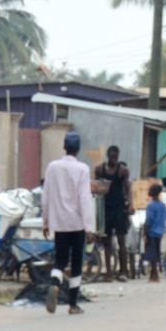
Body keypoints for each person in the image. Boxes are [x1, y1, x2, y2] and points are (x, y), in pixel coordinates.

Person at [42, 132, 92, 313]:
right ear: (78, 149)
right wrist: (90, 227)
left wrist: (46, 222)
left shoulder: (52, 167)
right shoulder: (83, 169)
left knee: (60, 259)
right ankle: (73, 304)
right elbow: (85, 199)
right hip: (77, 223)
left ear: (64, 147)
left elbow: (45, 197)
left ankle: (55, 284)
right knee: (77, 262)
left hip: (59, 223)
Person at [95, 143, 132, 281]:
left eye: (116, 157)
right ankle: (109, 272)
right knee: (107, 242)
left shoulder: (122, 171)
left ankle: (123, 271)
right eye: (111, 157)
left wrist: (130, 205)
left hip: (119, 208)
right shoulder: (100, 169)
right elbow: (96, 187)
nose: (113, 160)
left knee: (122, 241)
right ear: (107, 156)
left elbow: (128, 189)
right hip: (106, 208)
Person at [142, 183, 166, 283]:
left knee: (151, 254)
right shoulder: (162, 205)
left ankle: (155, 275)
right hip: (160, 232)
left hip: (151, 232)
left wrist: (145, 232)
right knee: (156, 253)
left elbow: (149, 220)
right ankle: (153, 274)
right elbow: (165, 216)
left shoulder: (151, 206)